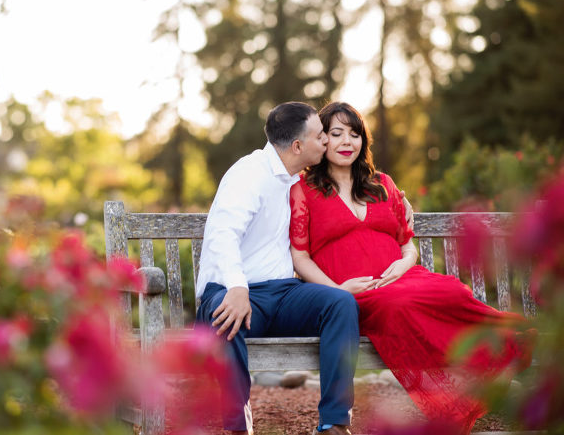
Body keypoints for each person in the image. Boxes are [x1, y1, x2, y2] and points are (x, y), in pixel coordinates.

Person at [289, 102, 530, 434]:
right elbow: (300, 259)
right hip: (353, 292)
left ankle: (504, 352)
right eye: (336, 133)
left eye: (355, 134)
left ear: (363, 141)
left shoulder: (383, 184)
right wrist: (336, 290)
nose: (347, 141)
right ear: (322, 140)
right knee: (398, 306)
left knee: (450, 289)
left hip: (402, 277)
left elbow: (407, 245)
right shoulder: (303, 191)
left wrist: (403, 264)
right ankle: (461, 398)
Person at [195, 101, 360, 435]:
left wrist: (401, 200)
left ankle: (334, 422)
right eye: (321, 136)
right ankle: (238, 428)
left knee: (340, 303)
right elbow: (222, 235)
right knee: (225, 318)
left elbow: (356, 184)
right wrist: (237, 288)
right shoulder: (249, 174)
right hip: (233, 291)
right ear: (298, 146)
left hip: (284, 294)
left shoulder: (297, 179)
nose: (327, 142)